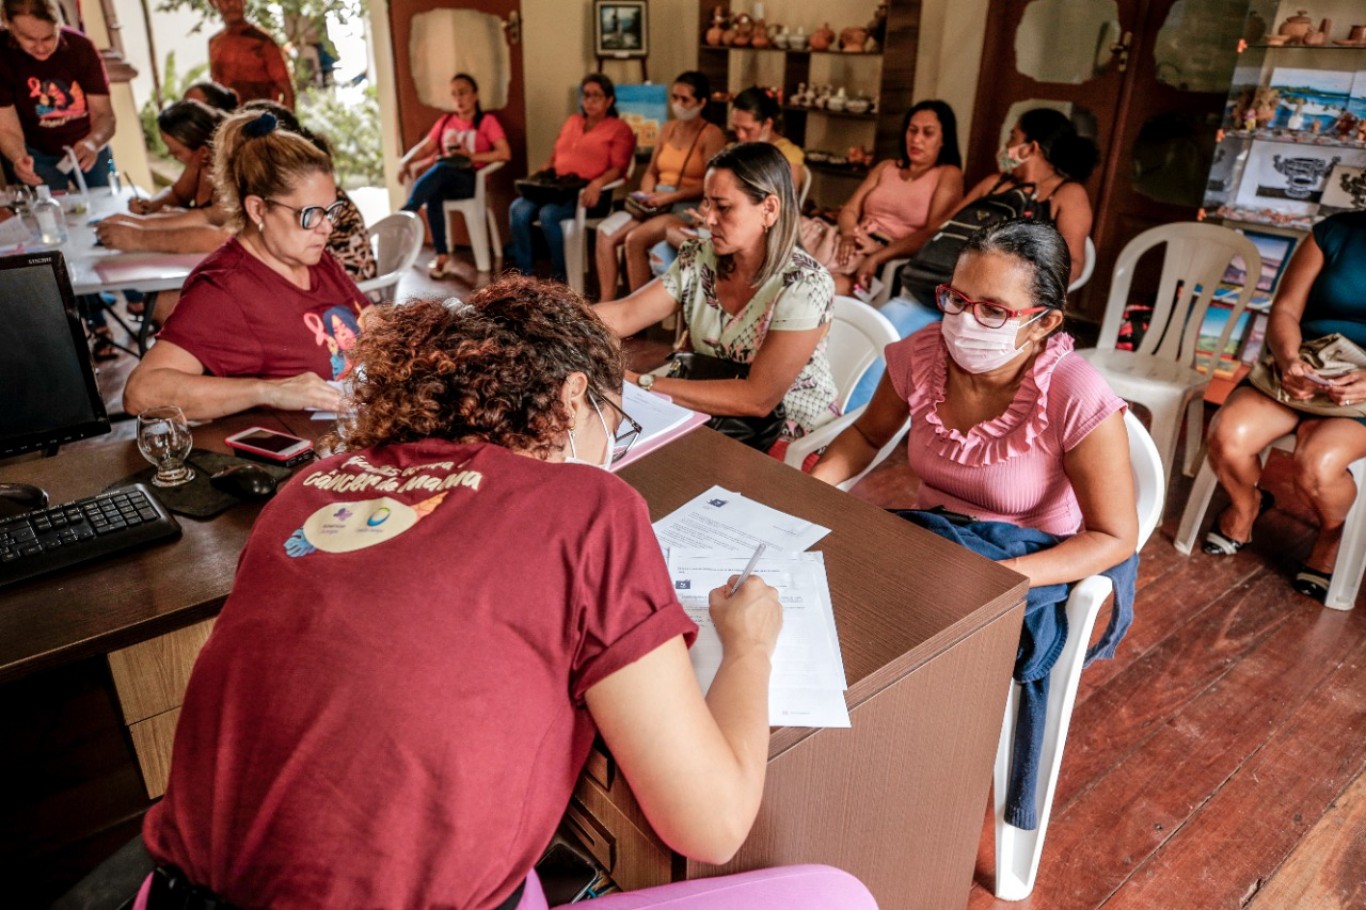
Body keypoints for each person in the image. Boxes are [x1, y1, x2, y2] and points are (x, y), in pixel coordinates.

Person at [134, 278, 878, 910]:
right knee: (838, 895)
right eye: (612, 429)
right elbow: (712, 824)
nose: (609, 455)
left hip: (168, 894)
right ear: (575, 395)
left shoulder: (311, 488)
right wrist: (749, 645)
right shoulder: (588, 504)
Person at [812, 219, 1136, 567]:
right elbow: (866, 436)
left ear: (1043, 323)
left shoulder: (1075, 395)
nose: (965, 320)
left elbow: (1113, 537)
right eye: (957, 298)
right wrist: (811, 489)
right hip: (935, 543)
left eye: (994, 310)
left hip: (1026, 563)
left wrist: (1000, 577)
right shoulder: (921, 356)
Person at [123, 109, 369, 421]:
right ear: (258, 209)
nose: (326, 228)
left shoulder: (311, 257)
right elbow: (141, 392)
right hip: (299, 452)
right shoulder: (225, 288)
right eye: (310, 215)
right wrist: (269, 391)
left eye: (330, 211)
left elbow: (368, 320)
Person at [596, 142, 838, 450]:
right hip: (715, 416)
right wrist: (553, 319)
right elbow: (627, 314)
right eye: (707, 203)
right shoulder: (699, 257)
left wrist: (642, 383)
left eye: (723, 207)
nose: (708, 219)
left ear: (769, 209)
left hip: (789, 432)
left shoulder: (805, 284)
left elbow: (759, 398)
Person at [1201, 211, 1366, 602]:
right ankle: (1246, 506)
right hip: (1305, 367)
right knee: (1228, 436)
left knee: (1317, 463)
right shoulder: (1333, 232)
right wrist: (1290, 359)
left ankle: (1330, 536)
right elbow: (1286, 310)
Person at [860, 107, 1099, 341]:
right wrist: (878, 257)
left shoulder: (1067, 194)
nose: (1005, 147)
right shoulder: (993, 183)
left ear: (1031, 147)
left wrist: (1024, 311)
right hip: (942, 290)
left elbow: (1073, 264)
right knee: (880, 332)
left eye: (1012, 137)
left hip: (996, 310)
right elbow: (940, 230)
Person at [803, 100, 964, 296]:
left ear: (944, 139)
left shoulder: (948, 174)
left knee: (819, 291)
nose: (916, 139)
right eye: (912, 130)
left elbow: (933, 233)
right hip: (849, 241)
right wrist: (846, 235)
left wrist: (879, 253)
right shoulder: (886, 167)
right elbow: (850, 209)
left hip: (887, 256)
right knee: (789, 265)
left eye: (927, 133)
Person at [593, 71, 724, 301]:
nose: (678, 104)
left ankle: (636, 313)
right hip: (655, 201)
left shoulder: (711, 134)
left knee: (635, 239)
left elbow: (708, 184)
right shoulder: (667, 129)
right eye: (675, 97)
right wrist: (647, 192)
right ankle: (606, 304)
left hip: (683, 206)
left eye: (685, 100)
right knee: (605, 234)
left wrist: (668, 198)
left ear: (702, 102)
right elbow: (652, 170)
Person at [509, 72, 636, 282]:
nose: (590, 101)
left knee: (549, 215)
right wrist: (544, 172)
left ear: (609, 100)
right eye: (586, 95)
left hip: (588, 193)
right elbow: (555, 156)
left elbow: (618, 168)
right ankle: (525, 277)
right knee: (518, 209)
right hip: (557, 187)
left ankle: (561, 280)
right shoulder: (573, 121)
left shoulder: (619, 128)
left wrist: (597, 184)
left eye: (596, 96)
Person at [398, 72, 512, 278]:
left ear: (475, 95)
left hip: (470, 180)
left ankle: (408, 213)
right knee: (435, 190)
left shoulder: (486, 121)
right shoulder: (445, 121)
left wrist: (471, 155)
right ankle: (442, 256)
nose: (459, 98)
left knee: (442, 169)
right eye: (454, 94)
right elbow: (426, 147)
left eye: (463, 93)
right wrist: (405, 162)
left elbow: (504, 153)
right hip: (444, 179)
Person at [0, 0, 116, 190]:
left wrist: (93, 143)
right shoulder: (2, 55)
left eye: (48, 38)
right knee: (50, 211)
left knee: (108, 197)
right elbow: (5, 128)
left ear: (58, 26)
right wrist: (18, 158)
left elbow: (106, 116)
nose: (40, 47)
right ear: (9, 25)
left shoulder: (81, 47)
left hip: (89, 144)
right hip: (35, 151)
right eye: (28, 39)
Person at [207, 0, 293, 108]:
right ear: (213, 3)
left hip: (261, 118)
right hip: (229, 119)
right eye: (224, 0)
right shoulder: (215, 43)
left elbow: (287, 92)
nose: (231, 4)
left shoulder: (262, 42)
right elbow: (216, 89)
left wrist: (285, 123)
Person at [729, 86, 804, 191]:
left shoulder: (787, 154)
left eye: (748, 130)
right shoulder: (733, 148)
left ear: (767, 124)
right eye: (736, 128)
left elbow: (785, 200)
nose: (740, 135)